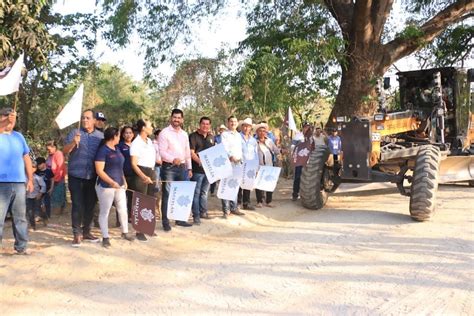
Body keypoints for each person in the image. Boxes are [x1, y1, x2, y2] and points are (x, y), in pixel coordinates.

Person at [63, 109, 103, 247]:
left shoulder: (100, 136)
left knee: (90, 205)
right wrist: (73, 143)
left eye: (88, 118)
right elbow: (64, 151)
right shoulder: (75, 133)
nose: (85, 120)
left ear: (94, 120)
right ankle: (76, 234)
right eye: (83, 118)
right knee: (77, 205)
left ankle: (87, 231)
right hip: (76, 176)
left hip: (92, 176)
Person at [0, 107, 33, 255]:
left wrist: (30, 179)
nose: (10, 119)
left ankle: (21, 247)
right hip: (1, 183)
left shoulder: (19, 137)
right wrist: (5, 121)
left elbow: (26, 158)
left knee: (20, 218)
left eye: (12, 116)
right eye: (7, 116)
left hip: (19, 183)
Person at [95, 127, 135, 248]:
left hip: (120, 185)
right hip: (106, 187)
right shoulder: (102, 151)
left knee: (123, 209)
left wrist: (123, 180)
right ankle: (105, 237)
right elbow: (99, 171)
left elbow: (119, 166)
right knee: (105, 212)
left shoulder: (116, 149)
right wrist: (112, 182)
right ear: (114, 137)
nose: (120, 137)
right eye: (118, 135)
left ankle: (125, 232)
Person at [159, 108, 193, 230]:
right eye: (174, 117)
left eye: (179, 118)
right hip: (169, 168)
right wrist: (173, 159)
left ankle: (180, 219)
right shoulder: (164, 133)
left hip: (183, 168)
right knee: (167, 194)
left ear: (182, 120)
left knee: (181, 193)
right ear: (171, 118)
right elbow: (162, 152)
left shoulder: (184, 134)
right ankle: (165, 222)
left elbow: (187, 152)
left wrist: (189, 168)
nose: (176, 120)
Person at [129, 119, 156, 242]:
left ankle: (148, 226)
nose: (152, 127)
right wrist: (143, 176)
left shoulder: (149, 141)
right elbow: (134, 164)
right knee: (140, 201)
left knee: (150, 200)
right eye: (150, 126)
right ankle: (139, 230)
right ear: (143, 128)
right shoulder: (136, 143)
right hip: (141, 172)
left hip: (151, 170)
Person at [189, 116, 214, 225]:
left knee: (204, 192)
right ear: (199, 124)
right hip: (197, 170)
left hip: (208, 171)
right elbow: (191, 152)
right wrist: (199, 161)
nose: (205, 126)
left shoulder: (211, 137)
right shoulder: (193, 136)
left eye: (207, 124)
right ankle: (196, 216)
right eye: (203, 124)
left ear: (210, 126)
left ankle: (203, 212)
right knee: (196, 193)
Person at [220, 115, 245, 218]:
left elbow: (241, 148)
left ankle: (234, 207)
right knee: (225, 185)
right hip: (228, 163)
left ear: (237, 123)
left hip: (238, 164)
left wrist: (241, 159)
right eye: (231, 121)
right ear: (228, 123)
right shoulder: (225, 134)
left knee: (234, 185)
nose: (233, 123)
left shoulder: (239, 135)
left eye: (235, 121)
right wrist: (230, 156)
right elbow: (224, 147)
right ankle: (226, 210)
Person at [255, 122, 281, 208]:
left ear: (266, 132)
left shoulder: (269, 141)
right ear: (257, 132)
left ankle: (269, 201)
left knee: (269, 184)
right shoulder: (254, 142)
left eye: (264, 131)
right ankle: (259, 201)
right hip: (259, 166)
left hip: (269, 166)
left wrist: (280, 154)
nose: (262, 132)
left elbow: (276, 151)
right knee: (259, 185)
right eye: (260, 131)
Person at [238, 118, 257, 211]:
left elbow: (255, 153)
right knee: (239, 184)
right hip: (239, 164)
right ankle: (237, 203)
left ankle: (246, 203)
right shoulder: (237, 137)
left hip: (250, 165)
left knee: (248, 184)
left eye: (248, 126)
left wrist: (256, 167)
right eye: (244, 126)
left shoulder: (253, 141)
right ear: (242, 127)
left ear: (250, 128)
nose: (246, 128)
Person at [117, 126, 135, 223]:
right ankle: (119, 220)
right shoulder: (120, 146)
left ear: (133, 134)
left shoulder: (136, 145)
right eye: (126, 133)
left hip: (134, 175)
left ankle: (130, 217)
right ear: (123, 135)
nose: (128, 135)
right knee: (120, 198)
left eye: (130, 132)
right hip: (122, 175)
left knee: (132, 197)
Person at [291, 122, 313, 201]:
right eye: (306, 127)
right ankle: (295, 194)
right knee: (297, 176)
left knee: (308, 177)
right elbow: (293, 146)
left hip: (309, 160)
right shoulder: (298, 136)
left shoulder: (311, 137)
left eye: (308, 127)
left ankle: (306, 194)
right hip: (299, 159)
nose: (307, 128)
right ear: (303, 128)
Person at [46, 140, 67, 215]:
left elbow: (60, 168)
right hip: (51, 179)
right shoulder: (50, 155)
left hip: (57, 179)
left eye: (49, 149)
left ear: (54, 147)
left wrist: (55, 180)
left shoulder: (58, 154)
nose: (48, 151)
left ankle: (58, 211)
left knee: (58, 196)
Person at [26, 161, 46, 230]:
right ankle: (33, 225)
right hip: (28, 197)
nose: (32, 169)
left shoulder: (37, 177)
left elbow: (43, 186)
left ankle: (44, 218)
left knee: (38, 210)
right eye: (30, 167)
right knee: (30, 211)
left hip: (36, 196)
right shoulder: (24, 177)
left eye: (33, 167)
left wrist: (40, 193)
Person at [209, 124, 227, 196]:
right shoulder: (216, 137)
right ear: (219, 130)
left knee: (223, 176)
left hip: (225, 158)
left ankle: (222, 190)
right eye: (221, 129)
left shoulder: (228, 137)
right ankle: (212, 191)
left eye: (224, 129)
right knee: (215, 175)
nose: (222, 131)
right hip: (216, 157)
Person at [152, 129, 162, 193]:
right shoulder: (153, 144)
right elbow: (152, 156)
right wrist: (158, 161)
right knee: (156, 182)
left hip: (162, 166)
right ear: (156, 135)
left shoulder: (161, 144)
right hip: (156, 165)